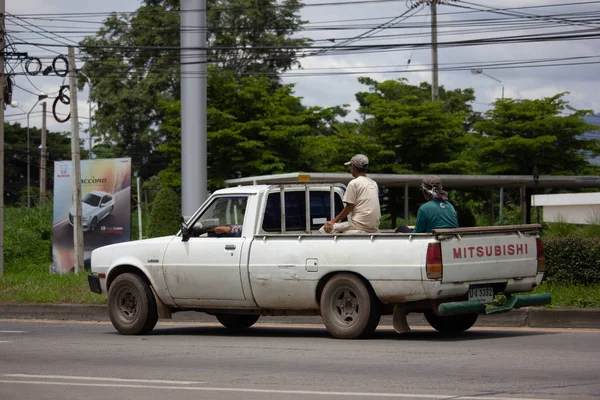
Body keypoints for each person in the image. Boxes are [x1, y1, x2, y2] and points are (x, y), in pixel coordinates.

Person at [323, 154, 381, 233]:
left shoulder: (354, 183)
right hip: (374, 226)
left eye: (350, 166)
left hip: (359, 225)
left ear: (353, 166)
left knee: (324, 229)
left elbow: (349, 207)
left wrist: (334, 221)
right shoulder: (373, 183)